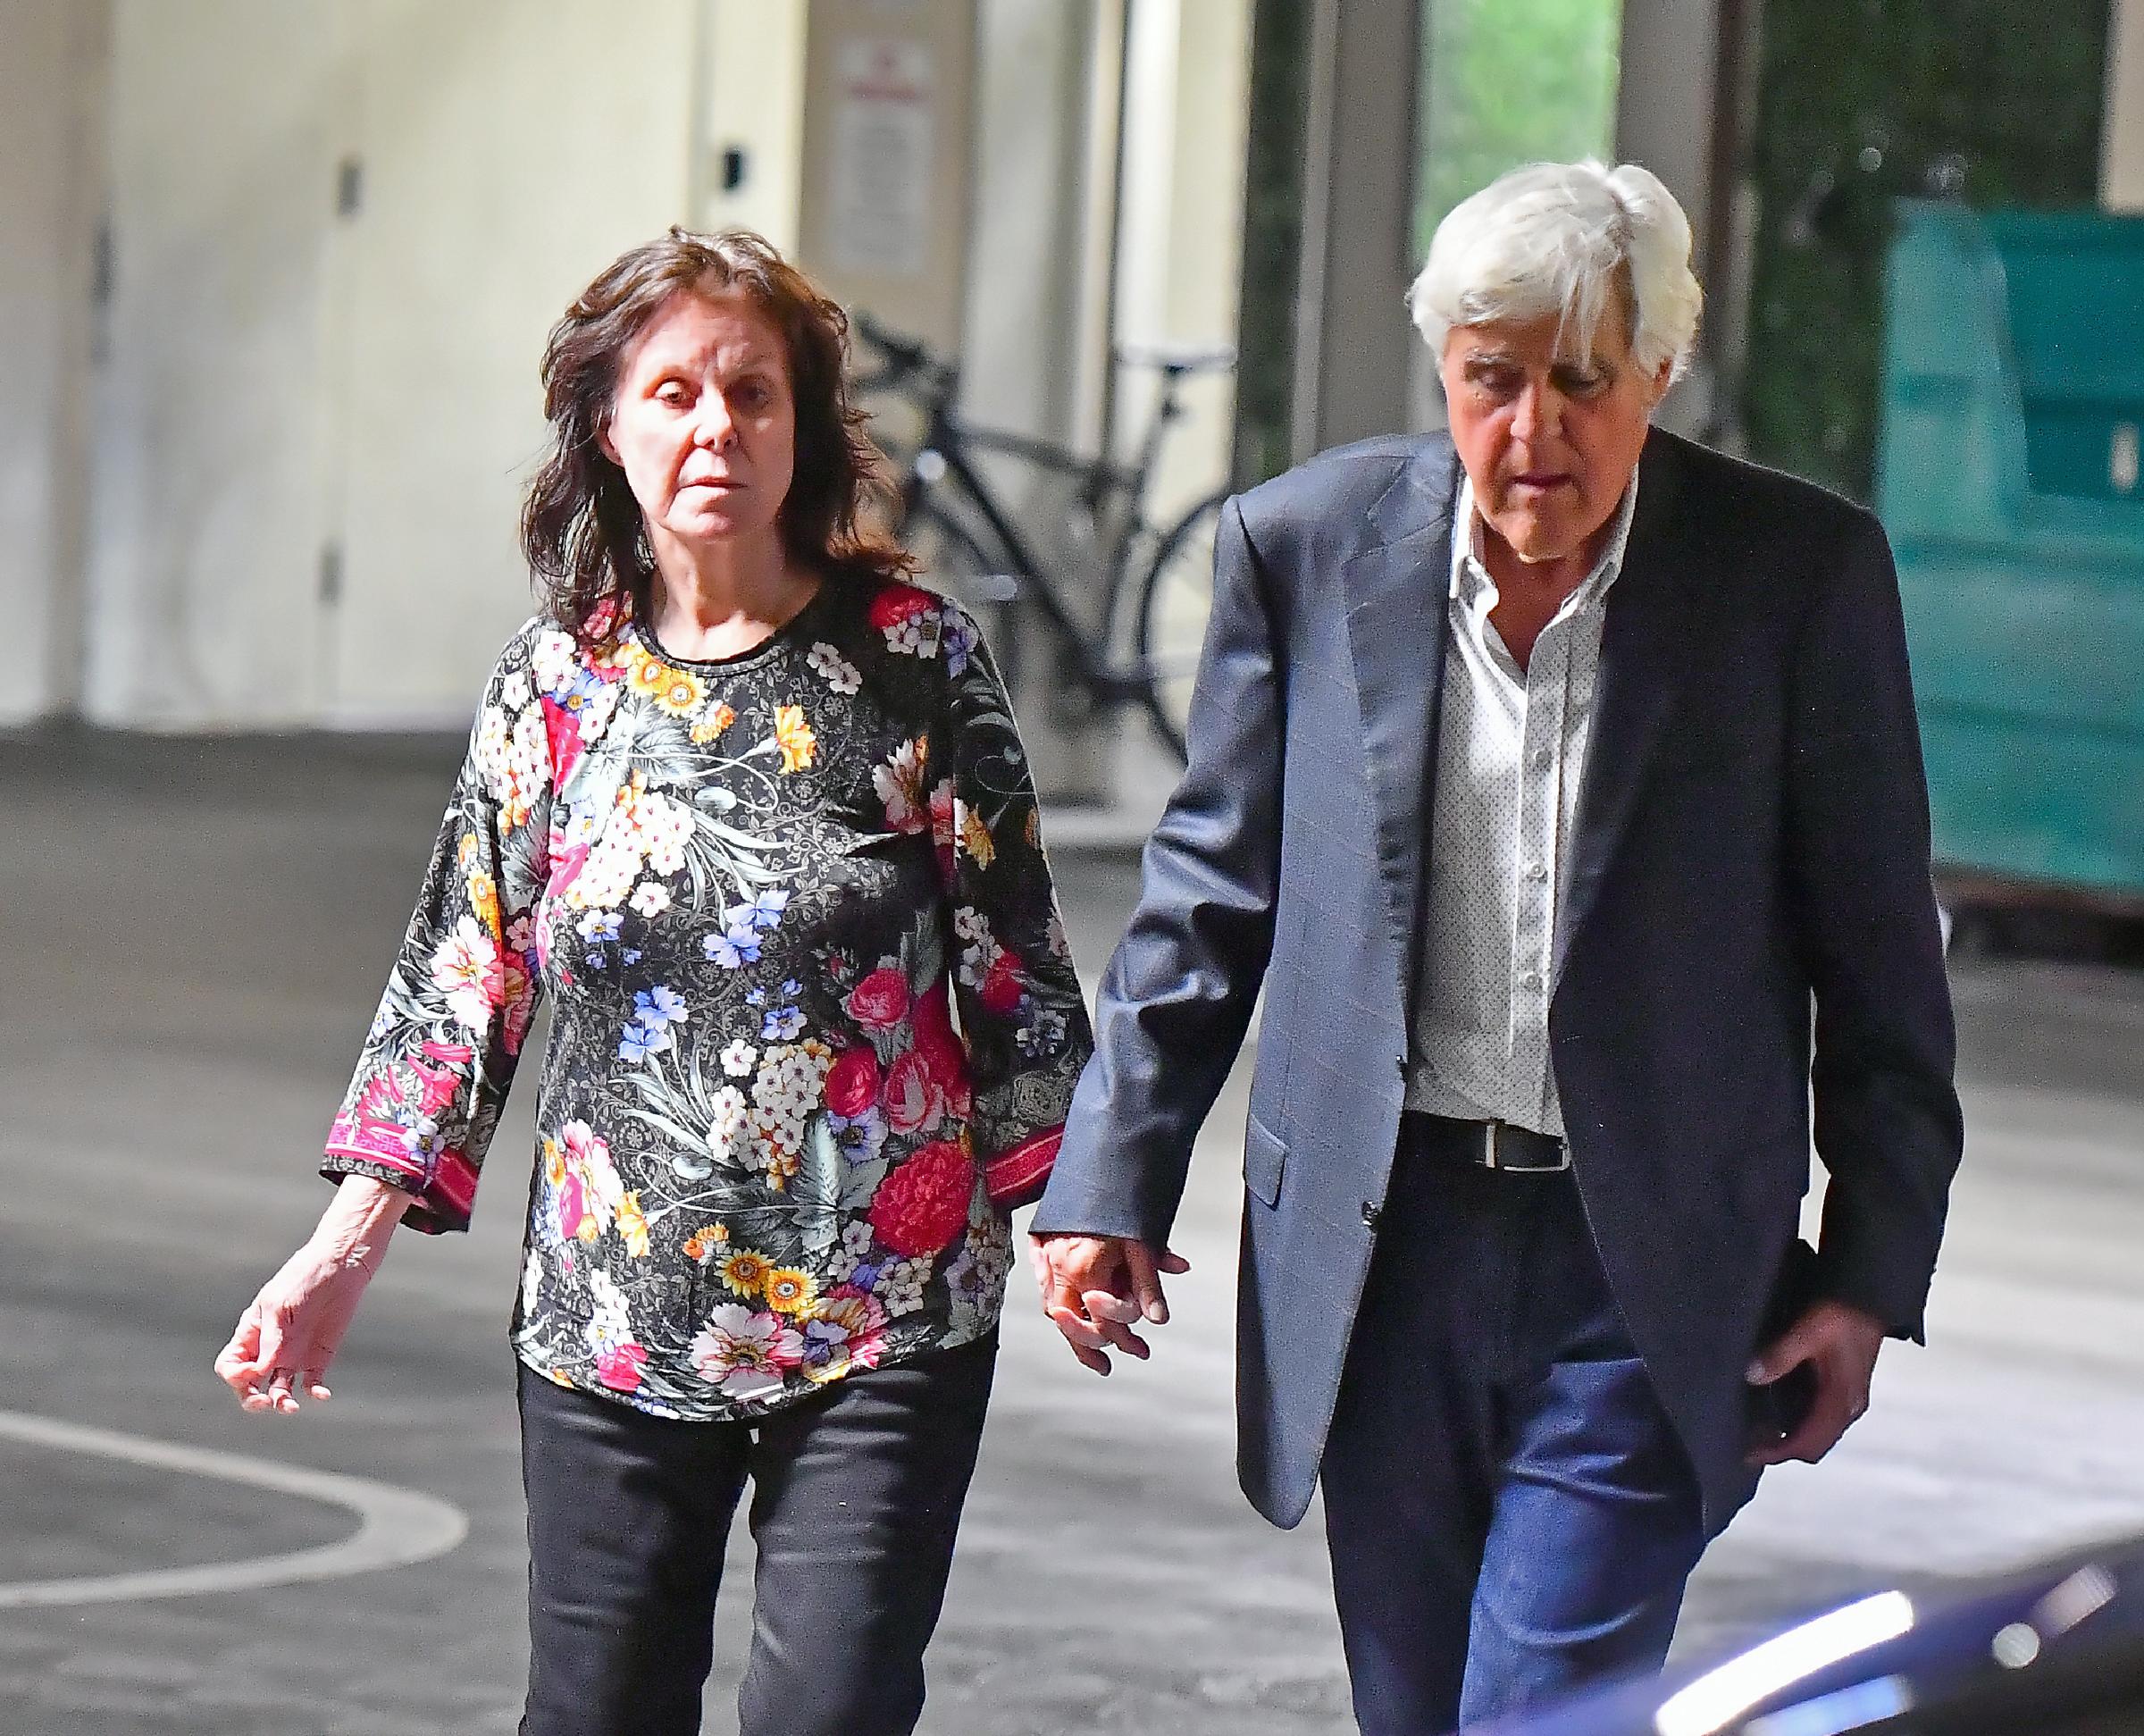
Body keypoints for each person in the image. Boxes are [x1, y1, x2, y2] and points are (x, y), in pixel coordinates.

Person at [1028, 160, 1964, 1732]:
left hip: (1647, 1264)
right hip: (1384, 1249)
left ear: (1660, 371)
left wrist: (1871, 1267)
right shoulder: (1306, 549)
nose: (1534, 432)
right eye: (1493, 381)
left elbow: (1880, 956)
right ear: (1442, 373)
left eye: (1583, 383)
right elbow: (1210, 895)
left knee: (1540, 1706)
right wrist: (1109, 1180)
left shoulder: (1792, 579)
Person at [214, 228, 1093, 1736]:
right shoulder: (554, 686)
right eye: (675, 392)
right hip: (613, 1312)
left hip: (881, 1310)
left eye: (751, 393)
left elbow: (1013, 966)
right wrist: (338, 1249)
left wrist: (1075, 1210)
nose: (716, 428)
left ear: (802, 424)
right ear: (607, 429)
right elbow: (458, 980)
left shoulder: (916, 662)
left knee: (831, 1712)